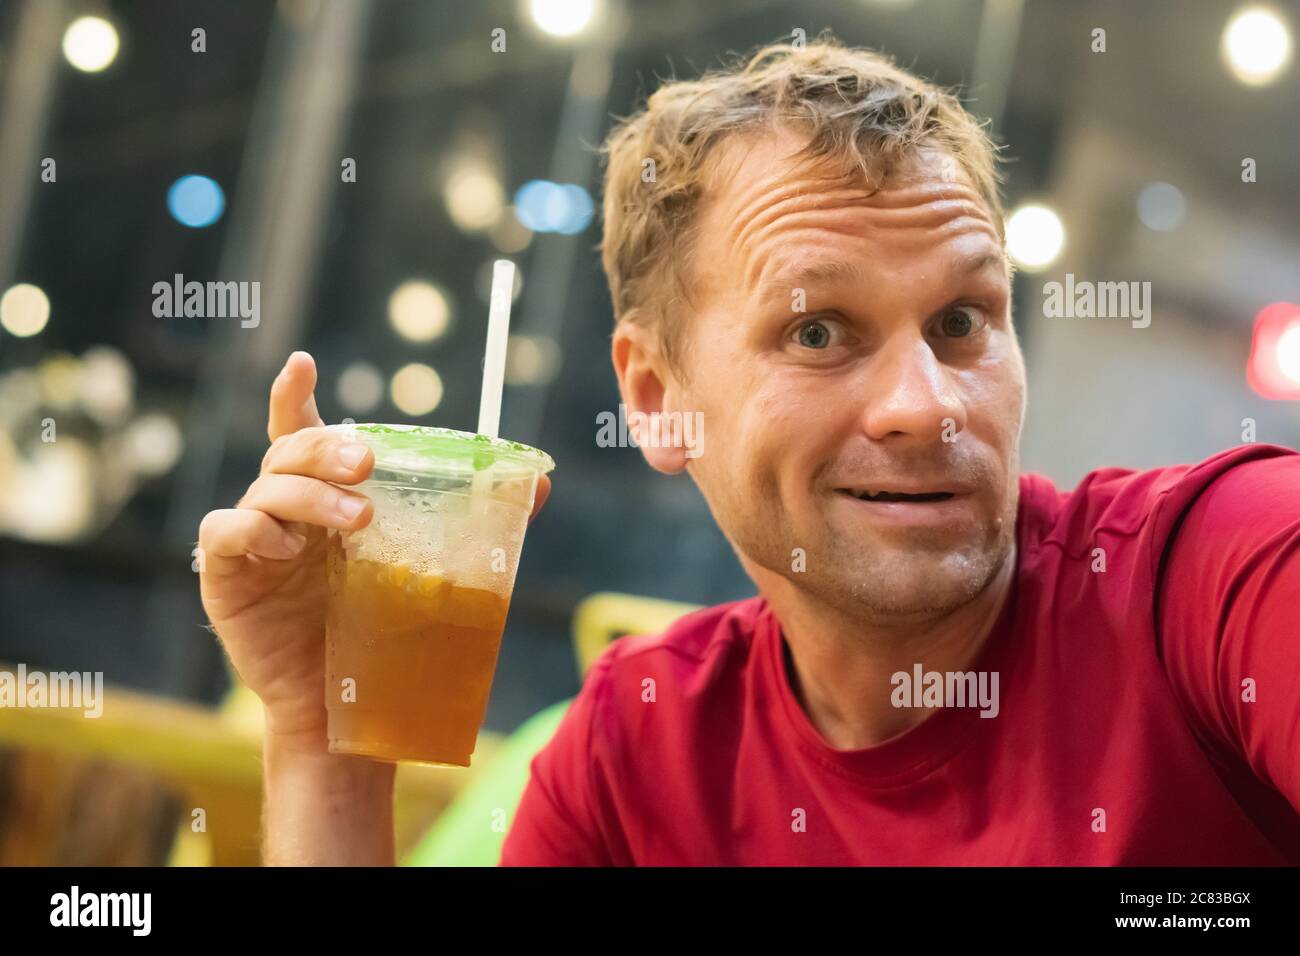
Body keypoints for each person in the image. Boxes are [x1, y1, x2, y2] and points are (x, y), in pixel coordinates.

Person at [198, 39, 1300, 866]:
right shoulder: (640, 751)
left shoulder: (1212, 577)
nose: (927, 405)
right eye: (817, 331)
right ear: (656, 399)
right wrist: (323, 737)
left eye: (961, 322)